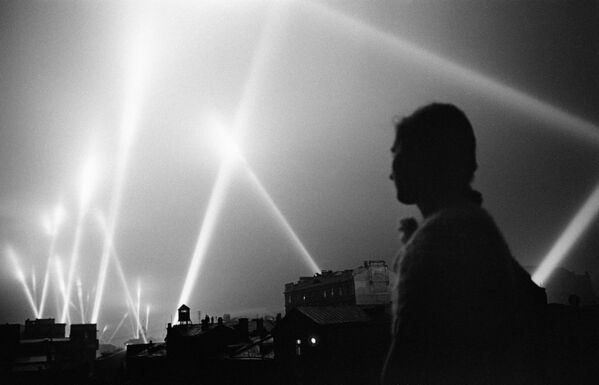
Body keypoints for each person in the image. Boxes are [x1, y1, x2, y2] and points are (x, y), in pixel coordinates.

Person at [382, 103, 546, 385]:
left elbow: (405, 364)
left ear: (424, 158)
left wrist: (418, 253)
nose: (390, 173)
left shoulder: (439, 240)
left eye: (397, 154)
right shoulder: (470, 227)